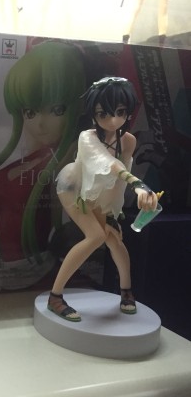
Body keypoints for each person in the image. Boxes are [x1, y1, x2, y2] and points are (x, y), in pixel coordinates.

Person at [49, 77, 158, 322]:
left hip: (101, 194)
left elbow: (118, 178)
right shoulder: (87, 137)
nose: (112, 120)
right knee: (95, 236)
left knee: (114, 239)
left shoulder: (128, 140)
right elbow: (108, 164)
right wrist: (138, 185)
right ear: (93, 114)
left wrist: (117, 209)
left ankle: (126, 291)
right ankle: (55, 296)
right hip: (74, 188)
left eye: (120, 112)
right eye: (103, 114)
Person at [0, 41, 86, 270]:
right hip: (2, 267)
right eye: (30, 112)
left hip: (40, 267)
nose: (40, 123)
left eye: (56, 110)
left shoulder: (71, 155)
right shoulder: (32, 155)